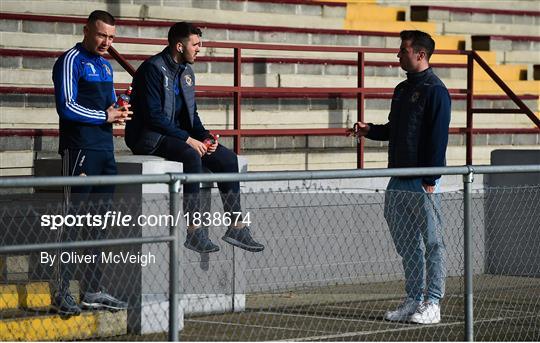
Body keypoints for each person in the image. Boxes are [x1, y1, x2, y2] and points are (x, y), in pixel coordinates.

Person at [125, 22, 264, 254]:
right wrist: (188, 140)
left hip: (176, 136)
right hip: (149, 137)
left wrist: (206, 137)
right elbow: (153, 116)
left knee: (228, 159)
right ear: (180, 46)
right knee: (191, 156)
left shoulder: (187, 72)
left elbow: (192, 116)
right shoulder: (152, 69)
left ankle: (236, 227)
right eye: (196, 44)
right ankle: (194, 231)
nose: (200, 48)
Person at [351, 30, 450, 324]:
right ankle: (414, 298)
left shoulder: (435, 90)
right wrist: (370, 129)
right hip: (398, 177)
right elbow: (395, 129)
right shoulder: (402, 89)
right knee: (407, 243)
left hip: (423, 180)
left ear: (420, 54)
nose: (398, 54)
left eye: (403, 50)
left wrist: (430, 179)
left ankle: (433, 302)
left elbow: (437, 137)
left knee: (433, 243)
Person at [52, 10, 130, 315]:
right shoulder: (70, 60)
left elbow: (108, 105)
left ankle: (93, 290)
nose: (106, 42)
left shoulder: (106, 65)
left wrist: (119, 110)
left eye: (111, 37)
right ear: (86, 30)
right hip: (79, 150)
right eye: (101, 35)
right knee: (71, 222)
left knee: (99, 223)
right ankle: (61, 291)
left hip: (104, 151)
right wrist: (105, 115)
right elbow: (67, 107)